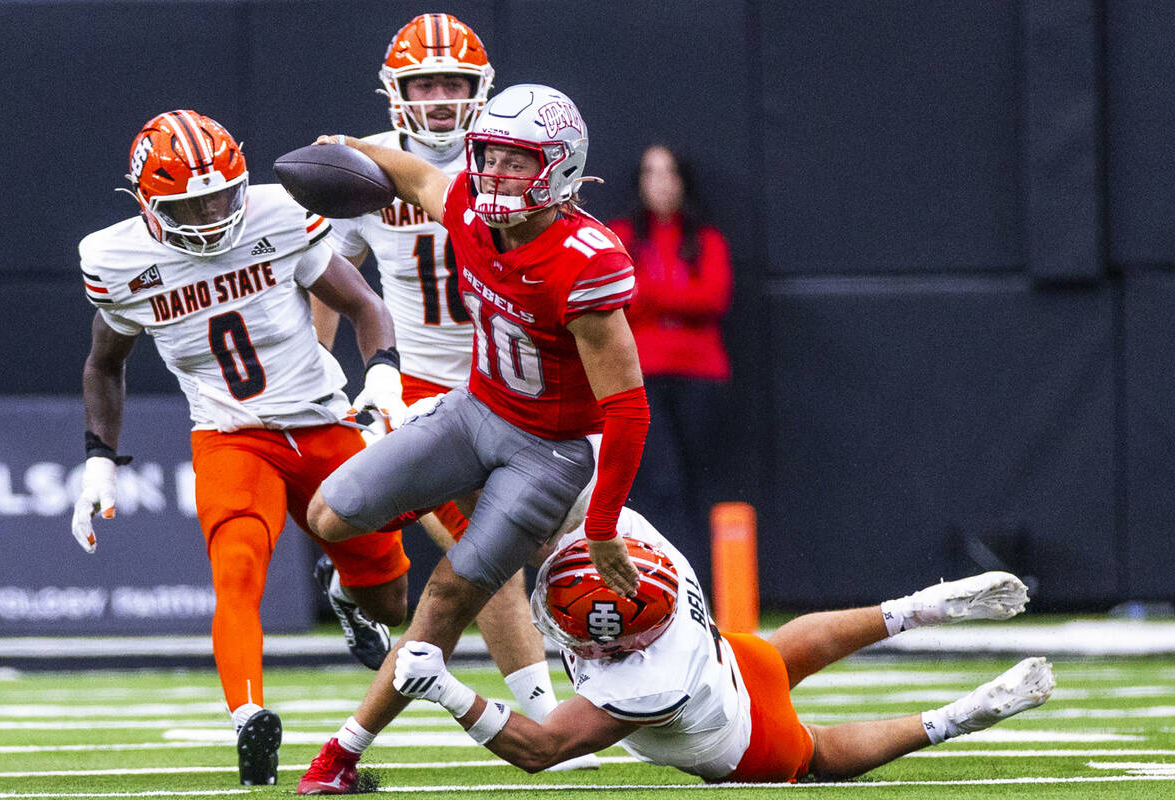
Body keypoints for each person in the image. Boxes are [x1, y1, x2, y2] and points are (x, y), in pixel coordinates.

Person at [294, 83, 649, 794]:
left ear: (561, 169)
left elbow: (629, 410)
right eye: (488, 156)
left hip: (546, 451)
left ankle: (341, 756)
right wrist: (352, 149)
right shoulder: (469, 210)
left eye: (517, 162)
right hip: (473, 412)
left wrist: (604, 524)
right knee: (328, 513)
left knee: (451, 595)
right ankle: (378, 548)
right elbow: (419, 174)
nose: (494, 174)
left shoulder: (585, 259)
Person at [72, 109, 413, 786]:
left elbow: (365, 307)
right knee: (236, 568)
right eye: (188, 204)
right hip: (232, 436)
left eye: (221, 195)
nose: (208, 214)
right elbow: (103, 365)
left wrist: (382, 374)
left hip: (322, 422)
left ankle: (346, 594)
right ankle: (247, 715)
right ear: (145, 204)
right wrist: (97, 460)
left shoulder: (278, 215)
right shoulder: (118, 261)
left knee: (391, 602)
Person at [391, 505, 1056, 783]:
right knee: (779, 655)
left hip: (739, 741)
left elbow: (544, 749)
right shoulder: (650, 555)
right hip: (730, 659)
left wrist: (445, 689)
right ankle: (918, 607)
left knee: (817, 755)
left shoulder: (640, 685)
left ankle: (958, 717)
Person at [606, 145, 733, 581]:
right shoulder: (620, 235)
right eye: (650, 173)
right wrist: (676, 302)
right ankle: (664, 582)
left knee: (701, 485)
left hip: (701, 376)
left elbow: (713, 298)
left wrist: (650, 295)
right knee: (660, 485)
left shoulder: (707, 238)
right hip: (640, 377)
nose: (660, 182)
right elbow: (617, 300)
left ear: (683, 181)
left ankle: (710, 587)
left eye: (669, 172)